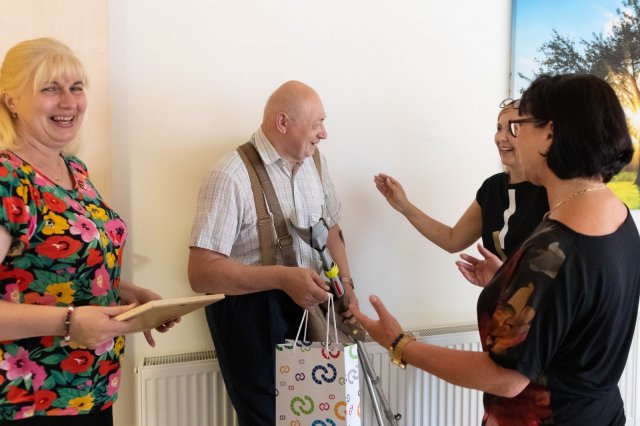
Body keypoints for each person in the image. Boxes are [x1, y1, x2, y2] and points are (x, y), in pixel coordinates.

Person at [353, 73, 640, 425]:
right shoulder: (617, 215)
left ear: (550, 133)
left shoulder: (555, 248)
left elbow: (505, 378)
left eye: (519, 126)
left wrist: (400, 344)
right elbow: (570, 314)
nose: (511, 138)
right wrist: (508, 281)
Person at [0, 38, 176, 425]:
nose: (69, 102)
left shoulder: (74, 170)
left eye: (76, 88)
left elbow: (54, 268)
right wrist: (68, 322)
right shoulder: (7, 178)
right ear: (11, 99)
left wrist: (125, 292)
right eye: (50, 88)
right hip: (27, 401)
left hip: (92, 392)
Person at [188, 80, 358, 426]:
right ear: (283, 122)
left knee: (317, 419)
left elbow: (332, 229)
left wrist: (347, 285)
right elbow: (201, 273)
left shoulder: (316, 164)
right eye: (317, 123)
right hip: (254, 322)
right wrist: (282, 278)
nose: (324, 133)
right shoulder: (230, 175)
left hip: (312, 314)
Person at [374, 100, 549, 263]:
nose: (501, 138)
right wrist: (404, 206)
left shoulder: (548, 189)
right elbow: (452, 240)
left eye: (513, 129)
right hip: (496, 288)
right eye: (499, 128)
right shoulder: (491, 187)